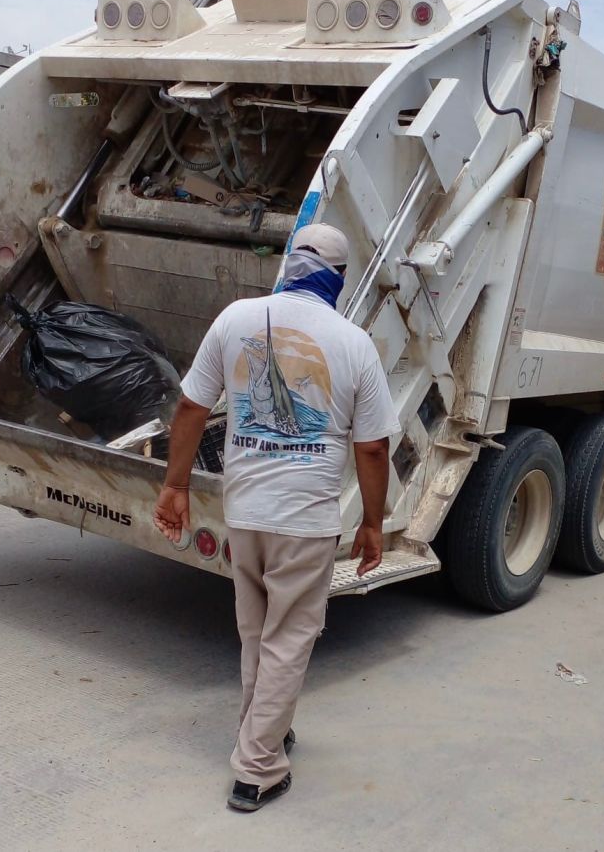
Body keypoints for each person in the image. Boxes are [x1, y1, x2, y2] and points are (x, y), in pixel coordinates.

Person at [153, 223, 400, 812]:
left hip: (247, 513)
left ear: (289, 264)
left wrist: (176, 485)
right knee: (288, 639)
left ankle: (263, 731)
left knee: (256, 633)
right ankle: (257, 768)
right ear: (338, 279)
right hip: (306, 521)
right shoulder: (352, 343)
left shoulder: (234, 318)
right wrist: (372, 522)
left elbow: (190, 406)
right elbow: (372, 449)